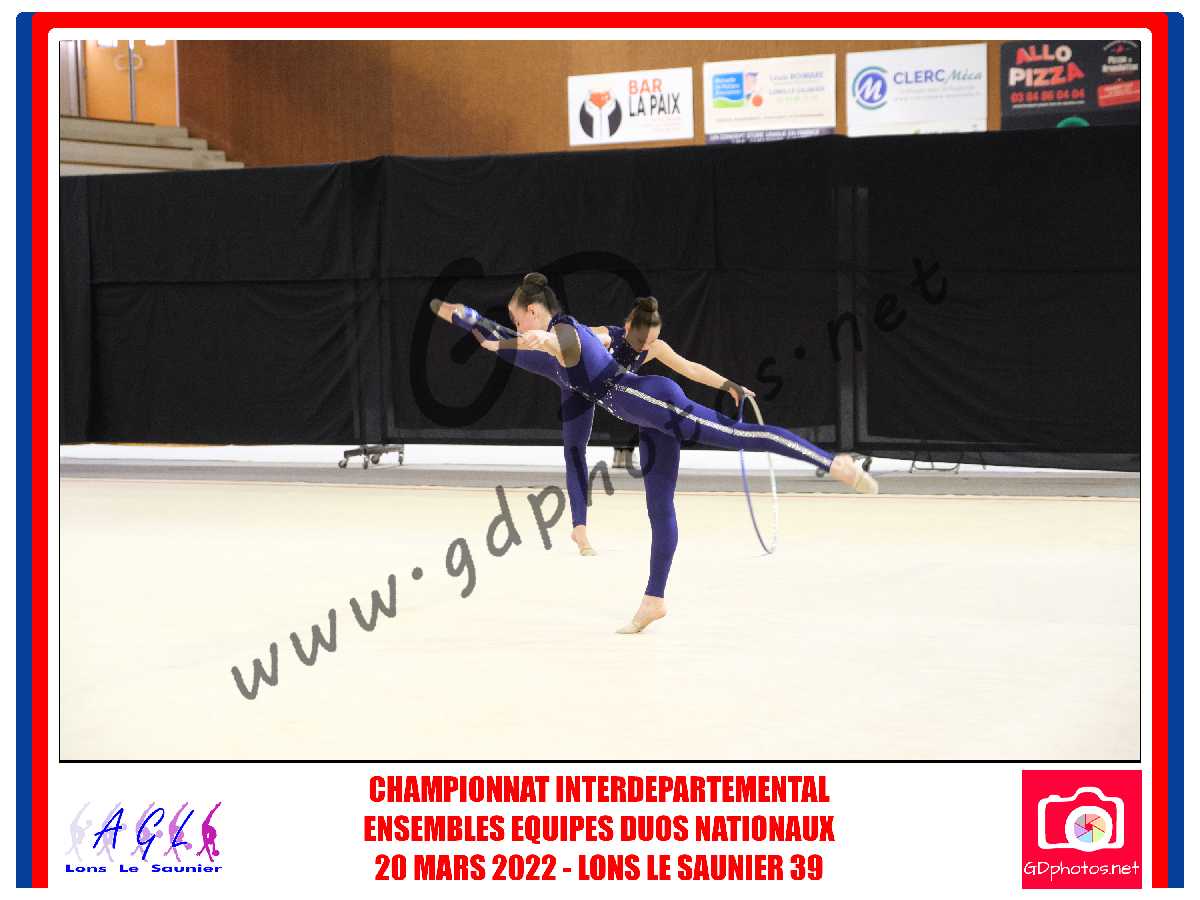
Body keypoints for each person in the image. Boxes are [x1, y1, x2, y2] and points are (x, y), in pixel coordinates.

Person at [432, 273, 878, 634]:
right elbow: (498, 340)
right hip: (648, 424)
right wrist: (462, 317)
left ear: (534, 311)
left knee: (740, 435)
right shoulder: (577, 337)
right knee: (659, 507)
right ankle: (654, 599)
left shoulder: (563, 329)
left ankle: (830, 462)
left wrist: (543, 342)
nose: (518, 328)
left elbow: (564, 344)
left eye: (519, 320)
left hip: (656, 402)